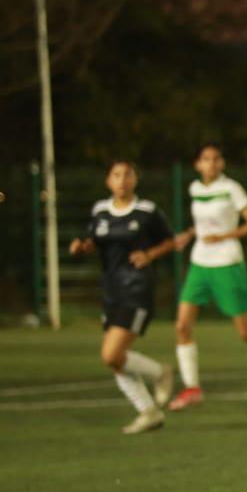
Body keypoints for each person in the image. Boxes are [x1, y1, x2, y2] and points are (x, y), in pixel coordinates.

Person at [167, 143, 247, 413]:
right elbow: (202, 225)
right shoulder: (195, 189)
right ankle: (192, 387)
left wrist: (223, 236)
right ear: (197, 164)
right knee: (182, 326)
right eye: (205, 159)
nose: (211, 164)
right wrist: (190, 234)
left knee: (245, 331)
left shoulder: (232, 188)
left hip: (227, 263)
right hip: (199, 263)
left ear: (221, 164)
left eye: (216, 159)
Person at [68, 160, 177, 434]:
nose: (122, 180)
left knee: (111, 354)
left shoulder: (147, 211)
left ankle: (160, 372)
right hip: (112, 290)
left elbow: (170, 241)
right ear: (108, 180)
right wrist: (81, 247)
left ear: (135, 180)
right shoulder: (100, 210)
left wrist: (149, 255)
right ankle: (149, 412)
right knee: (117, 361)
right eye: (116, 175)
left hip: (138, 288)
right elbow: (94, 241)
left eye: (128, 174)